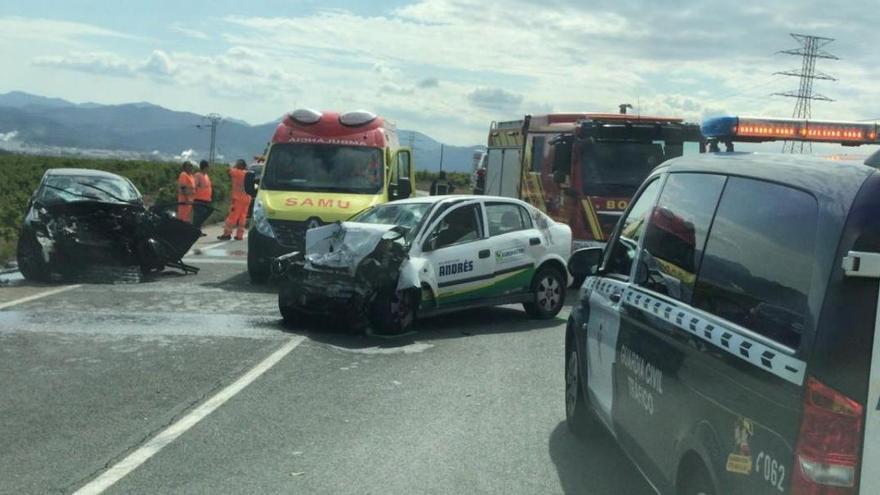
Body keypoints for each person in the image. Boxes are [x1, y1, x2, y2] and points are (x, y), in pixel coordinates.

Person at [218, 159, 250, 241]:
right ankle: (239, 235)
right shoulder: (248, 174)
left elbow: (228, 170)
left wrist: (235, 166)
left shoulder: (237, 172)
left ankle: (227, 234)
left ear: (240, 166)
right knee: (242, 217)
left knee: (232, 217)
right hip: (247, 198)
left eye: (237, 164)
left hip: (238, 199)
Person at [192, 160, 213, 232]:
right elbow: (194, 186)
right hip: (198, 200)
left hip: (206, 200)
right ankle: (194, 230)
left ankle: (197, 230)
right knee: (199, 215)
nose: (209, 169)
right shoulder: (197, 175)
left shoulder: (206, 176)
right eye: (208, 167)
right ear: (205, 167)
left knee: (201, 216)